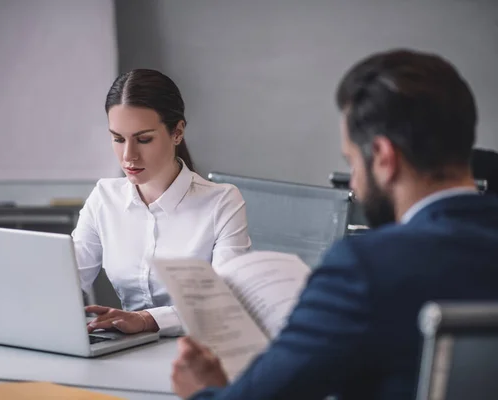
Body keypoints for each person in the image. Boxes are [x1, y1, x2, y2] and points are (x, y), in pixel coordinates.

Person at [170, 49, 498, 399]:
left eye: (353, 162)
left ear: (384, 158)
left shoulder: (365, 268)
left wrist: (203, 392)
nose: (354, 184)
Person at [72, 69, 251, 337]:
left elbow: (222, 305)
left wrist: (146, 320)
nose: (128, 156)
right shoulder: (104, 198)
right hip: (126, 351)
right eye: (118, 139)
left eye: (144, 139)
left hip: (199, 352)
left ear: (177, 132)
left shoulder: (222, 202)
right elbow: (67, 280)